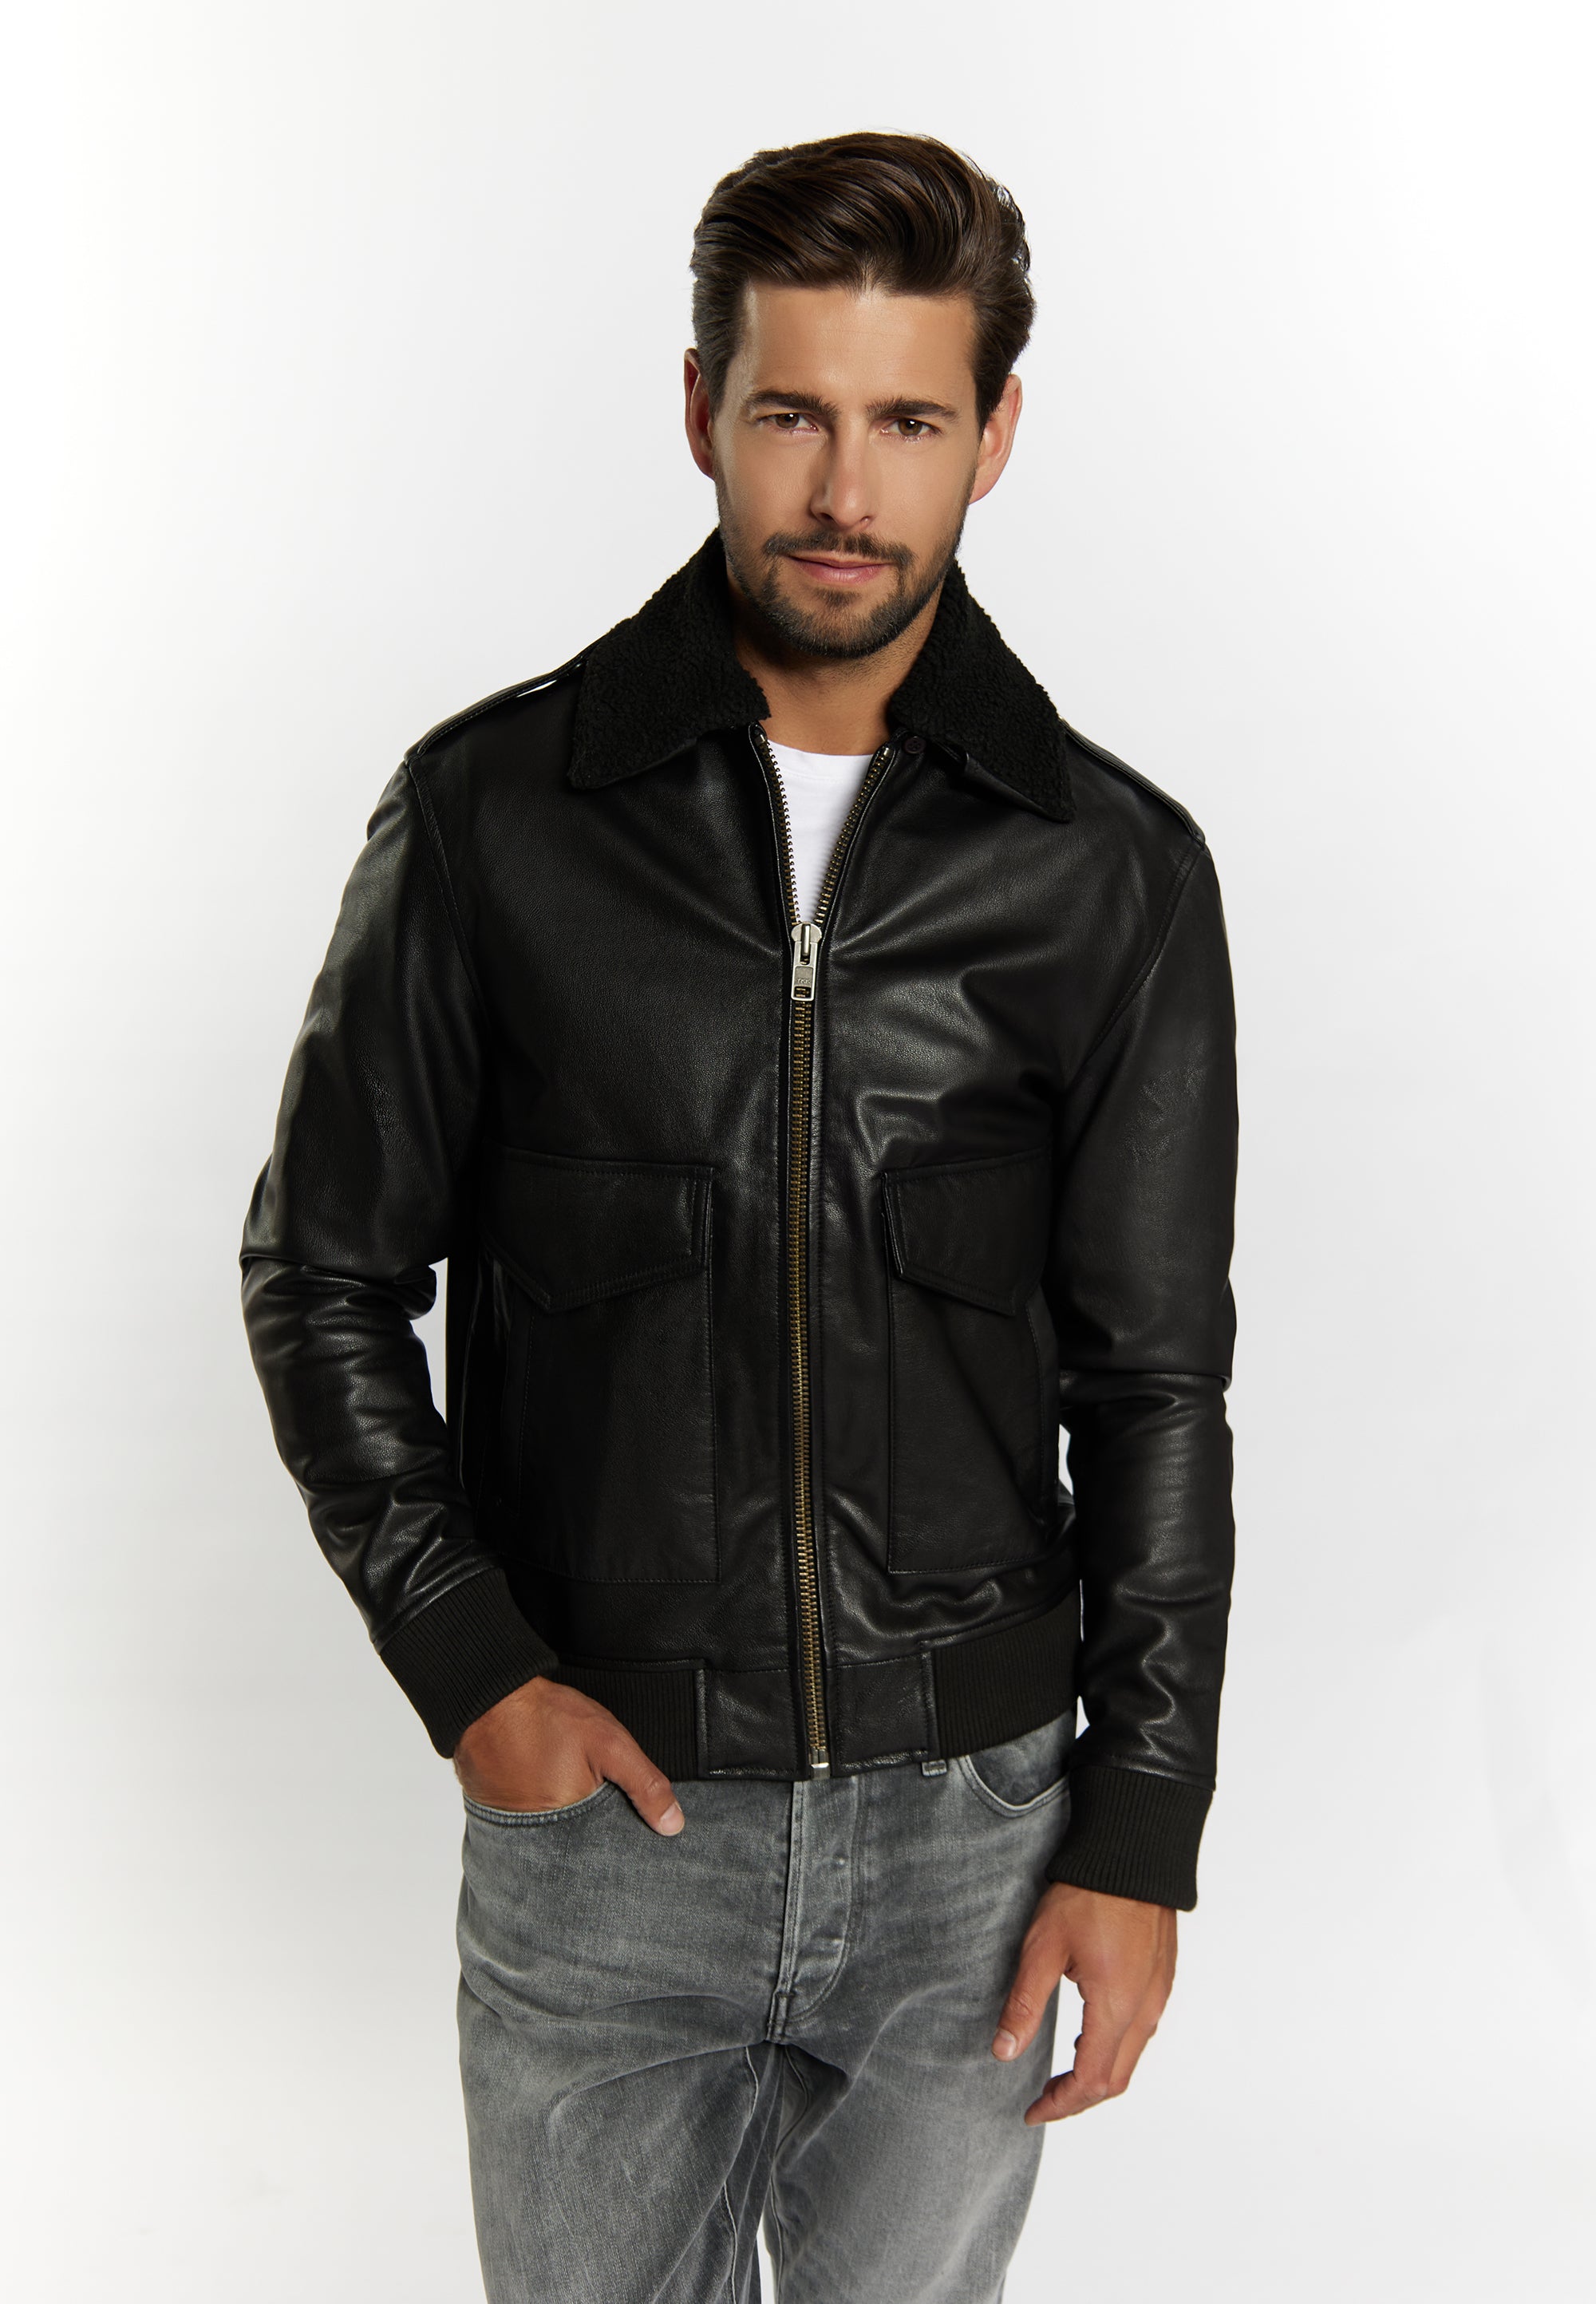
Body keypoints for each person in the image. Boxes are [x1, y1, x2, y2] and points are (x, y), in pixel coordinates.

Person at [241, 129, 1238, 2304]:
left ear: (995, 433)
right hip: (609, 1824)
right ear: (701, 408)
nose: (846, 493)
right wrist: (473, 1668)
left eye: (910, 424)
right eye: (793, 414)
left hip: (974, 1843)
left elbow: (1156, 1386)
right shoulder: (496, 818)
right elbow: (322, 1274)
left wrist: (1141, 1828)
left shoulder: (1109, 871)